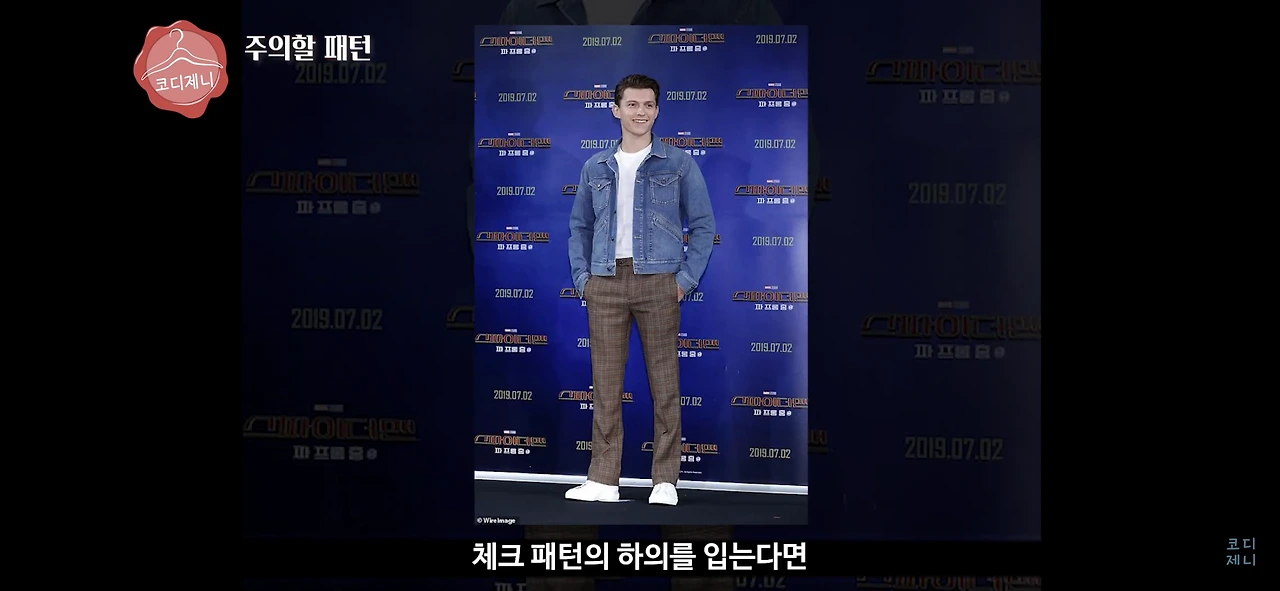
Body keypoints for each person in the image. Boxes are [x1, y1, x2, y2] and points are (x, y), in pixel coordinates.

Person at [566, 73, 716, 506]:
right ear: (616, 110)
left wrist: (683, 282)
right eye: (632, 104)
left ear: (657, 110)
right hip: (605, 282)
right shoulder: (595, 166)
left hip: (659, 283)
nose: (641, 112)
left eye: (648, 104)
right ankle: (603, 480)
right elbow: (579, 228)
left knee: (665, 385)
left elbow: (703, 226)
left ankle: (665, 480)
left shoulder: (679, 163)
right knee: (605, 385)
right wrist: (583, 280)